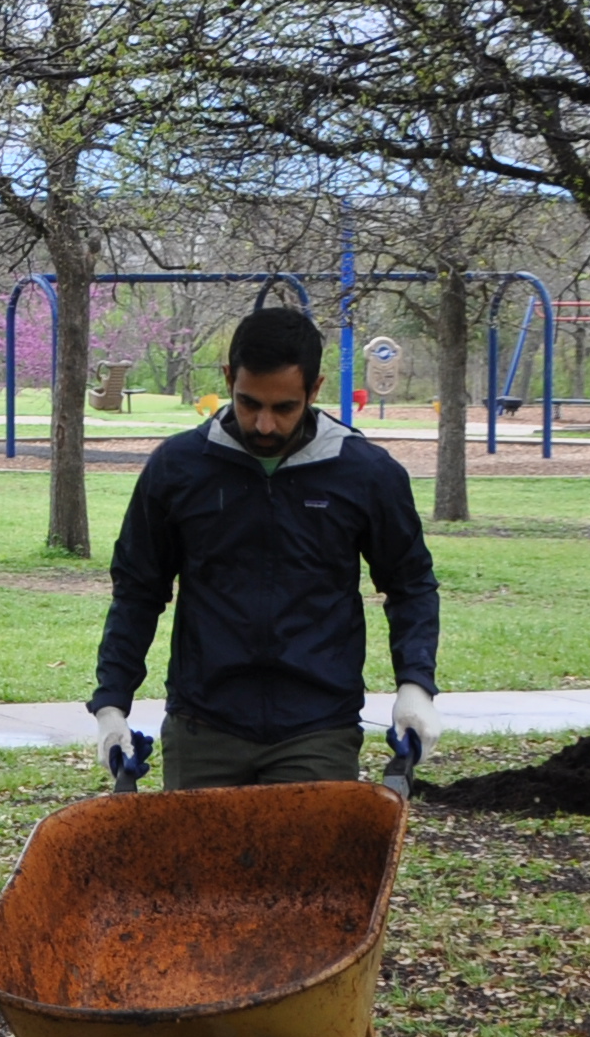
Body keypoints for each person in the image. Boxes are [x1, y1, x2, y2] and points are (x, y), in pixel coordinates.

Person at [92, 304, 442, 789]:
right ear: (228, 378)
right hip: (204, 727)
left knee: (307, 868)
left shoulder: (365, 474)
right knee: (198, 869)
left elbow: (411, 586)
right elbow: (137, 590)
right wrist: (112, 704)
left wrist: (415, 685)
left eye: (284, 408)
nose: (264, 425)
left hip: (318, 729)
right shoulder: (178, 469)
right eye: (249, 402)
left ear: (314, 390)